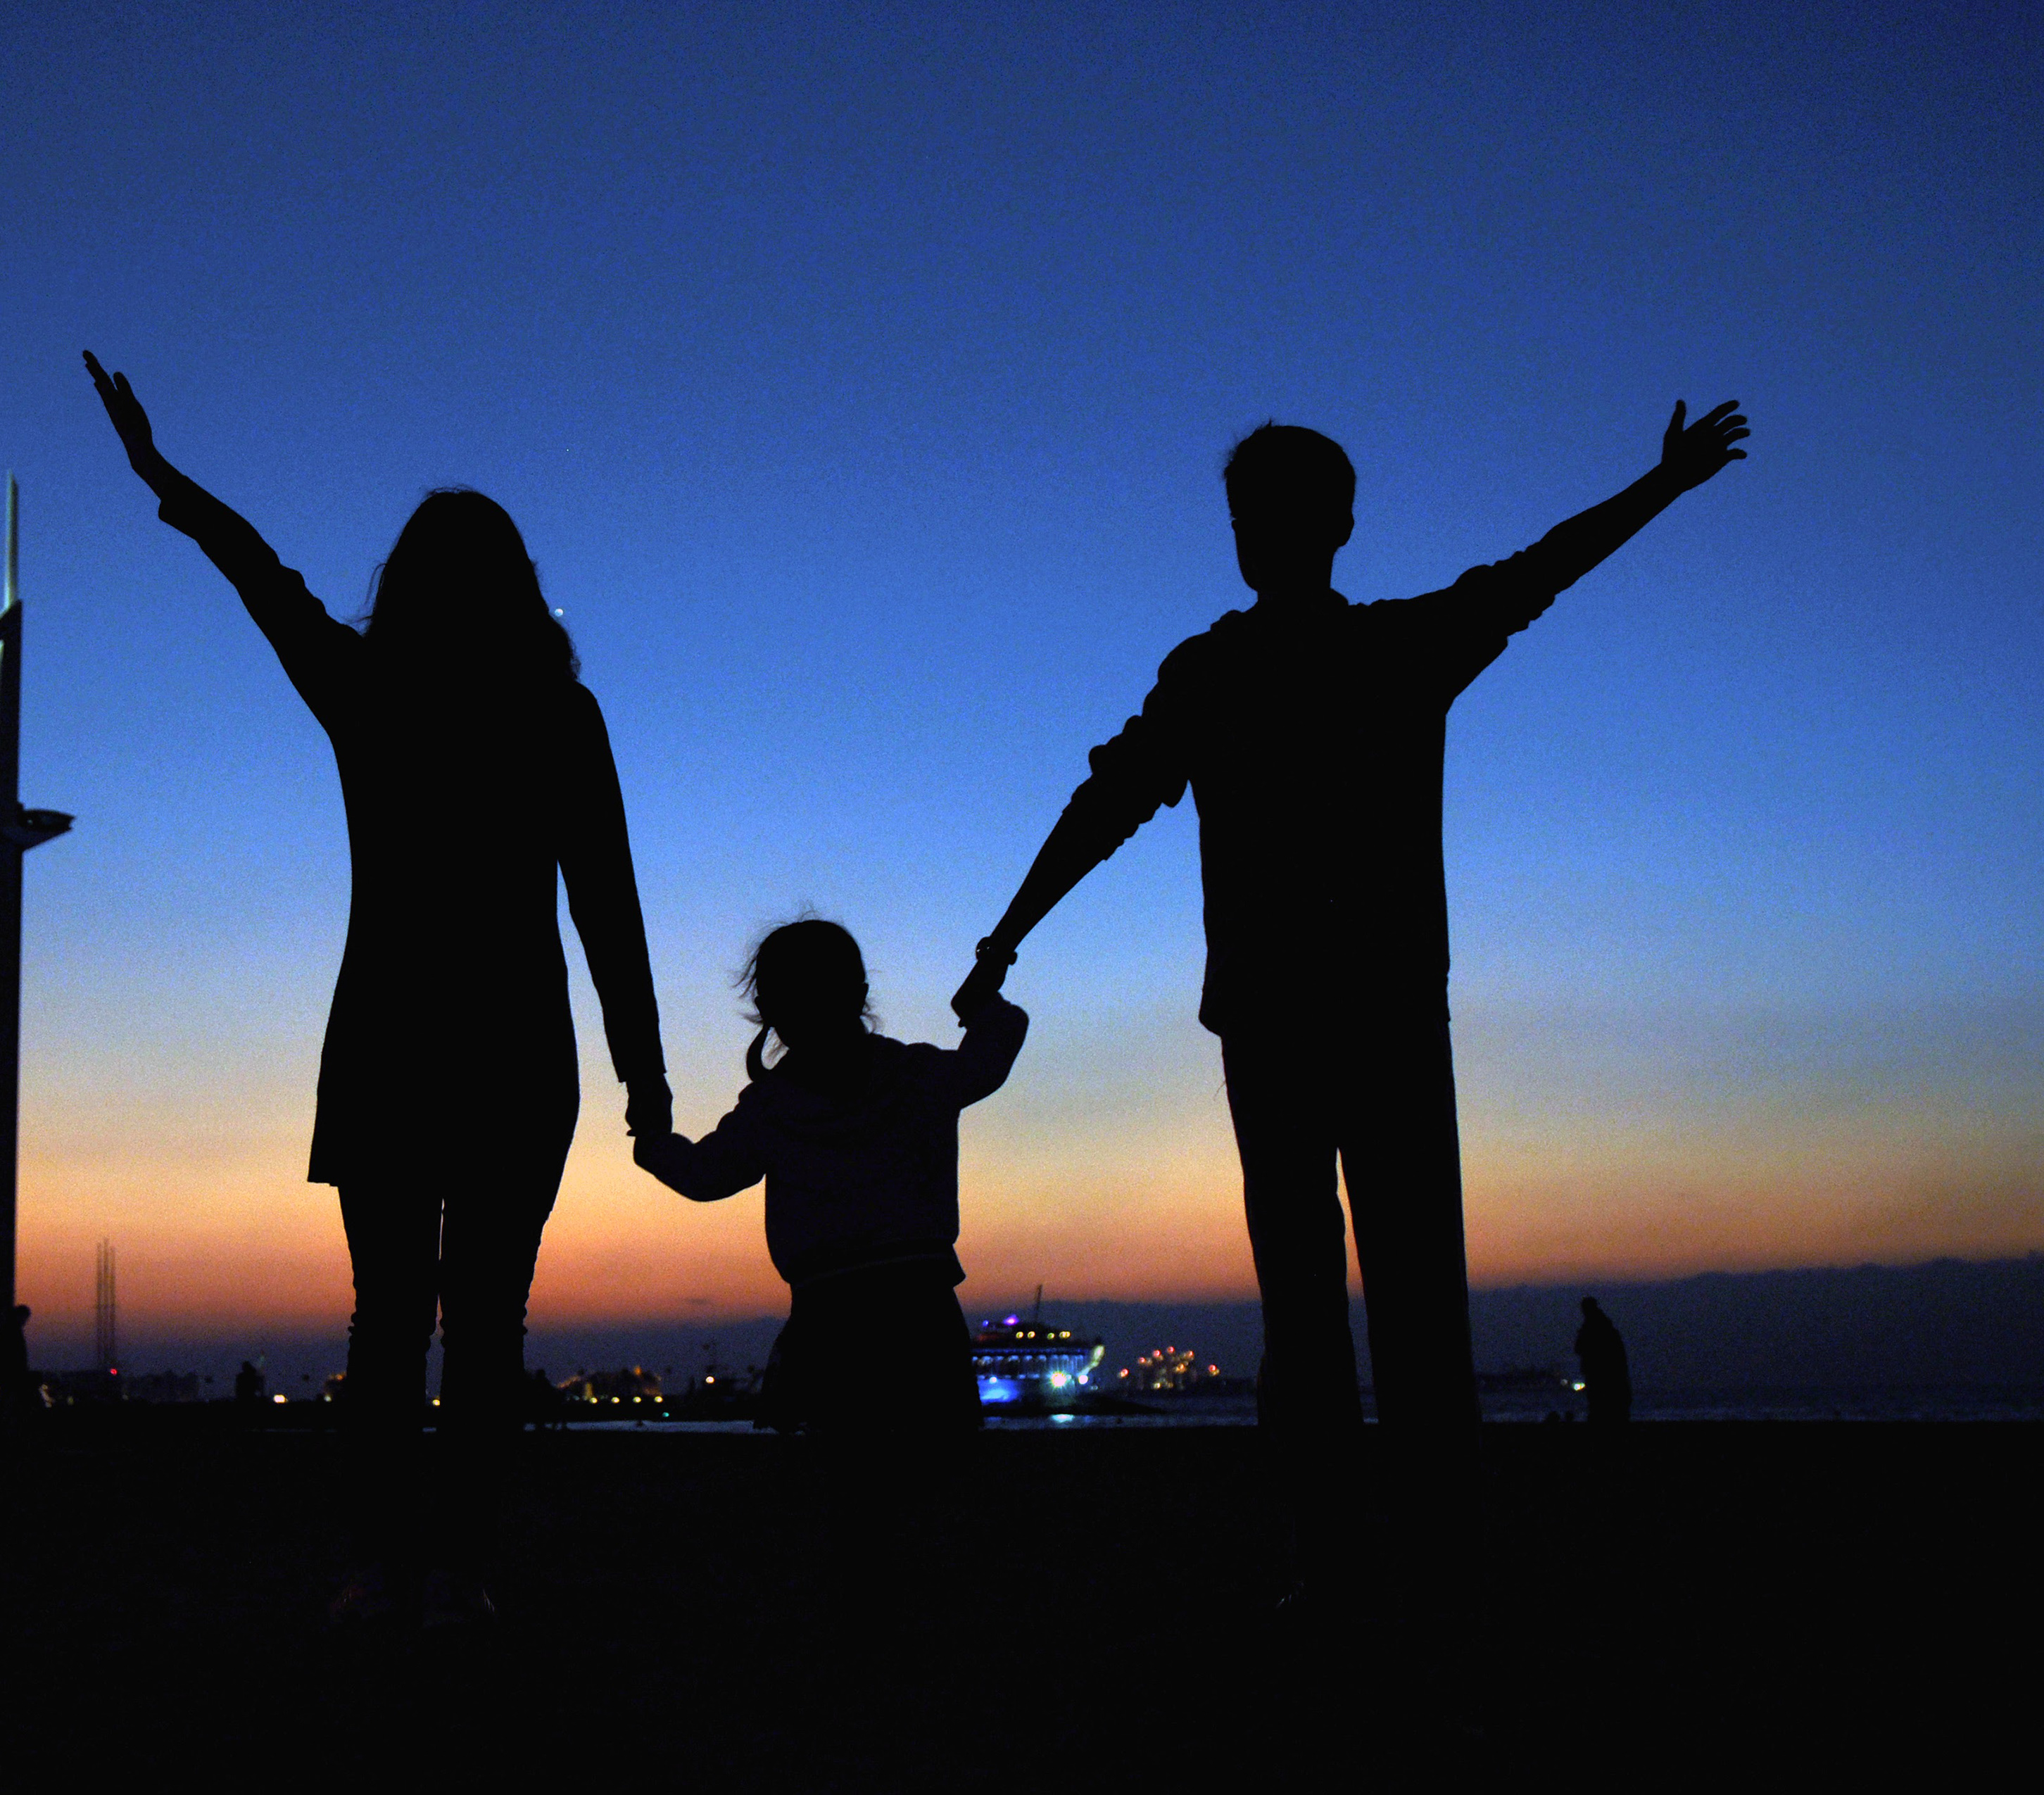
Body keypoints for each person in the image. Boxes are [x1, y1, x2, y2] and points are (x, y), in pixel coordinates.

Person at [954, 400, 1749, 1604]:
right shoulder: (1256, 667)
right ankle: (1369, 1563)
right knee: (1357, 1304)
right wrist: (1006, 934)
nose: (1255, 534)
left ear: (1334, 526)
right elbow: (1107, 801)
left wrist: (1662, 487)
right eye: (1245, 515)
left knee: (1369, 1301)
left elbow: (1539, 572)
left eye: (1272, 514)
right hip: (1318, 1022)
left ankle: (1384, 1564)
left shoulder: (1342, 655)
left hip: (1349, 1020)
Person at [85, 353, 672, 1631]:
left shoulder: (371, 689)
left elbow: (263, 577)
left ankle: (379, 1567)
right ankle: (453, 1571)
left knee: (391, 1325)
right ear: (519, 587)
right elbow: (608, 910)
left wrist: (161, 474)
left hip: (392, 1048)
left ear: (404, 584)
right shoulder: (555, 714)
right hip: (514, 1051)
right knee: (482, 1331)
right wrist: (648, 1079)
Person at [636, 919, 1024, 1433]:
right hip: (924, 1315)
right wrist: (984, 1004)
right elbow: (992, 1051)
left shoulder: (772, 1107)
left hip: (826, 1320)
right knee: (940, 1468)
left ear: (769, 1010)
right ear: (859, 995)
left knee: (836, 1473)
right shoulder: (917, 1076)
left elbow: (705, 1175)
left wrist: (653, 1141)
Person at [1575, 1297, 1630, 1425]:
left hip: (1599, 1369)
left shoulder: (1593, 1326)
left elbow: (1580, 1347)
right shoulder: (1604, 1325)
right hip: (1602, 1369)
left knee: (1598, 1399)